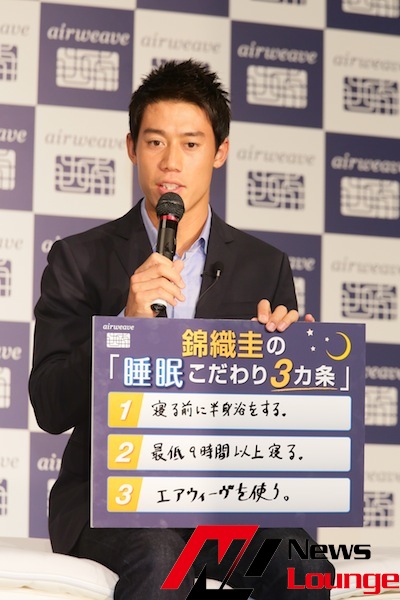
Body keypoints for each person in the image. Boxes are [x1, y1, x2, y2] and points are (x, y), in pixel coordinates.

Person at [30, 59, 334, 599]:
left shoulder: (265, 266)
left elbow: (278, 429)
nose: (170, 163)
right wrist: (123, 327)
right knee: (162, 557)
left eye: (191, 144)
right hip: (110, 499)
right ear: (132, 148)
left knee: (301, 566)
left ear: (220, 151)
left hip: (223, 498)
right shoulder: (78, 258)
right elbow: (50, 407)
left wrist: (292, 366)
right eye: (155, 142)